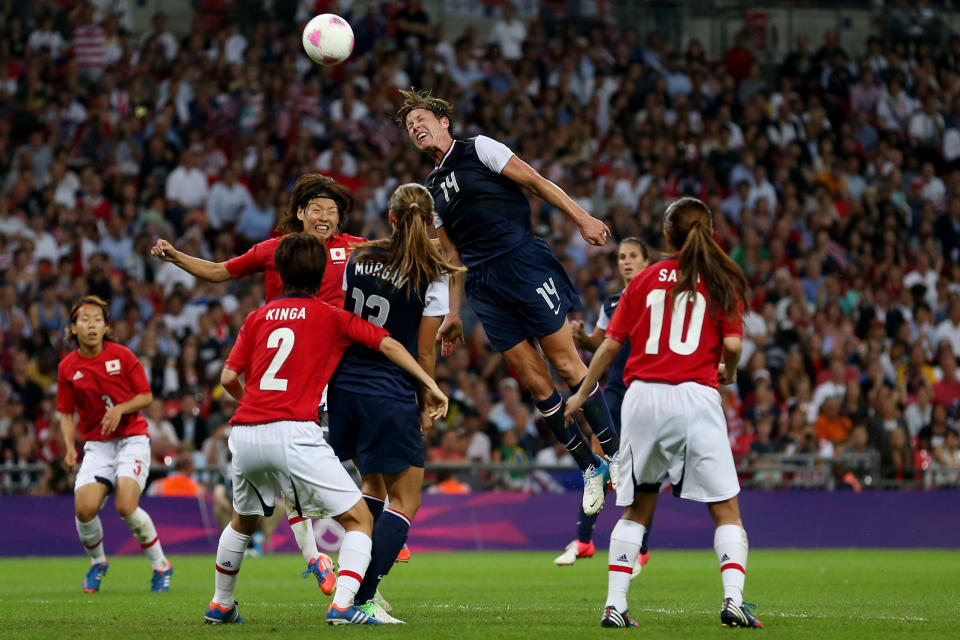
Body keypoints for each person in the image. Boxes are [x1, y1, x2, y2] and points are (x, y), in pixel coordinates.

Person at [205, 232, 448, 625]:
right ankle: (344, 605)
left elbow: (229, 376)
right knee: (361, 519)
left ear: (280, 274)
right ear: (322, 277)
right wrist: (431, 384)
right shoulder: (330, 315)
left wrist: (253, 403)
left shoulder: (257, 317)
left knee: (242, 520)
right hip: (295, 432)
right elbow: (388, 345)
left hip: (246, 432)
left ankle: (220, 603)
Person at [397, 88, 620, 516]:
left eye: (422, 118)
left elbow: (535, 182)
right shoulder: (431, 188)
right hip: (483, 285)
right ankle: (589, 467)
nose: (416, 128)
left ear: (444, 121)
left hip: (521, 263)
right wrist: (453, 312)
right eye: (410, 127)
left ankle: (616, 456)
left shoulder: (478, 148)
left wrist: (582, 218)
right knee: (537, 384)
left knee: (568, 364)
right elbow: (450, 256)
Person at [150, 173, 362, 588]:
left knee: (299, 468)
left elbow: (399, 253)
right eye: (316, 208)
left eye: (332, 211)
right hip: (293, 375)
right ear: (300, 214)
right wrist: (177, 257)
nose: (324, 217)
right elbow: (218, 272)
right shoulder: (273, 251)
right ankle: (338, 545)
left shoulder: (352, 248)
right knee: (296, 464)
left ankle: (334, 541)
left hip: (336, 363)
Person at [566, 197, 763, 629]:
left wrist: (581, 394)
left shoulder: (646, 279)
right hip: (696, 397)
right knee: (725, 510)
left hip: (643, 399)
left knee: (636, 507)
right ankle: (733, 600)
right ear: (708, 232)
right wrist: (728, 370)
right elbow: (731, 346)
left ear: (666, 235)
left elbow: (610, 345)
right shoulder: (723, 278)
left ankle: (615, 607)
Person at [328, 183, 464, 623]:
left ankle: (349, 584)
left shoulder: (360, 258)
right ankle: (360, 600)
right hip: (389, 391)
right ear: (428, 223)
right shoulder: (432, 271)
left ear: (390, 218)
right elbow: (424, 352)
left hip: (345, 386)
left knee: (373, 488)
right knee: (405, 502)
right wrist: (427, 398)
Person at [57, 295, 173, 594]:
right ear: (73, 328)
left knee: (125, 505)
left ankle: (161, 564)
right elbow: (66, 414)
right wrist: (70, 447)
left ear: (106, 326)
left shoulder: (122, 356)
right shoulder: (68, 367)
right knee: (84, 509)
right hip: (97, 445)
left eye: (98, 320)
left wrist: (120, 408)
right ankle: (98, 562)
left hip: (132, 438)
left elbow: (146, 396)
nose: (92, 325)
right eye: (85, 320)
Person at [555, 238, 652, 571]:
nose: (626, 262)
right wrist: (582, 337)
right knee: (599, 463)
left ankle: (640, 548)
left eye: (632, 256)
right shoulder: (613, 303)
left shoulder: (656, 299)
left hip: (647, 390)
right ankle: (584, 541)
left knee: (640, 469)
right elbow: (602, 343)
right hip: (613, 391)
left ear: (646, 261)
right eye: (622, 257)